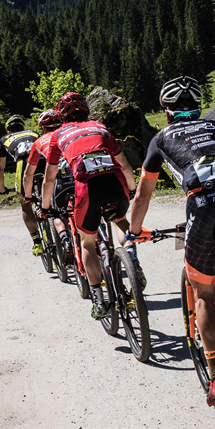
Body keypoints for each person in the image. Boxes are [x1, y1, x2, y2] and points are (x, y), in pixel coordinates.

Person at [127, 76, 215, 408]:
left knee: (202, 294)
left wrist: (134, 230)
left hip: (202, 208)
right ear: (199, 107)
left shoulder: (160, 139)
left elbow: (143, 196)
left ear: (167, 111)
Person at [41, 92, 137, 319]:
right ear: (86, 109)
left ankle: (99, 300)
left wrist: (46, 207)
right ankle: (132, 260)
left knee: (87, 243)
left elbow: (49, 179)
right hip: (115, 183)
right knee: (121, 220)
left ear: (62, 115)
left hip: (87, 189)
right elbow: (125, 165)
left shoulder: (58, 135)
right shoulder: (101, 127)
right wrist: (131, 189)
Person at [22, 109, 73, 248]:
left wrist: (28, 196)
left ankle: (65, 240)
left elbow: (28, 175)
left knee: (55, 213)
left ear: (43, 127)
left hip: (59, 180)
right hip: (79, 173)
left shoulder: (39, 142)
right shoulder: (71, 133)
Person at [0, 115, 41, 255]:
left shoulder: (4, 139)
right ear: (23, 127)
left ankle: (37, 243)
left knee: (25, 203)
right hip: (42, 159)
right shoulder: (33, 132)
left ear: (8, 130)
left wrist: (1, 189)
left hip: (23, 164)